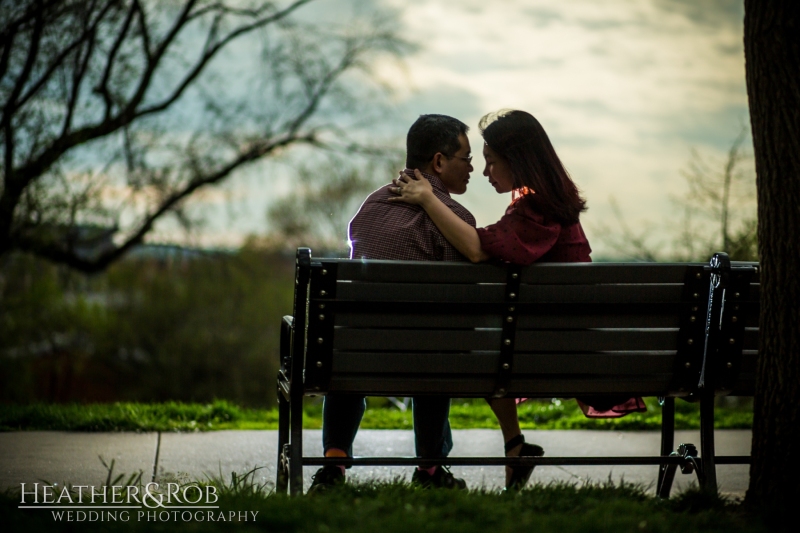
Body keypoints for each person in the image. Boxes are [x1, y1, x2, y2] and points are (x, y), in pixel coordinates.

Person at [389, 109, 645, 490]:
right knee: (493, 343)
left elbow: (477, 249)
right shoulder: (548, 204)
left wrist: (428, 198)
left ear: (517, 160)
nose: (486, 172)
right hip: (565, 343)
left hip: (555, 351)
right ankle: (514, 446)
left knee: (471, 345)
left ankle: (494, 451)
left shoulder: (537, 211)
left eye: (492, 162)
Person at [309, 114, 475, 492]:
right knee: (436, 349)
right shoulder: (456, 220)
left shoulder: (369, 207)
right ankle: (431, 470)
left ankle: (333, 464)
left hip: (357, 355)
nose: (471, 169)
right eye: (465, 158)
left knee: (350, 343)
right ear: (438, 161)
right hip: (424, 359)